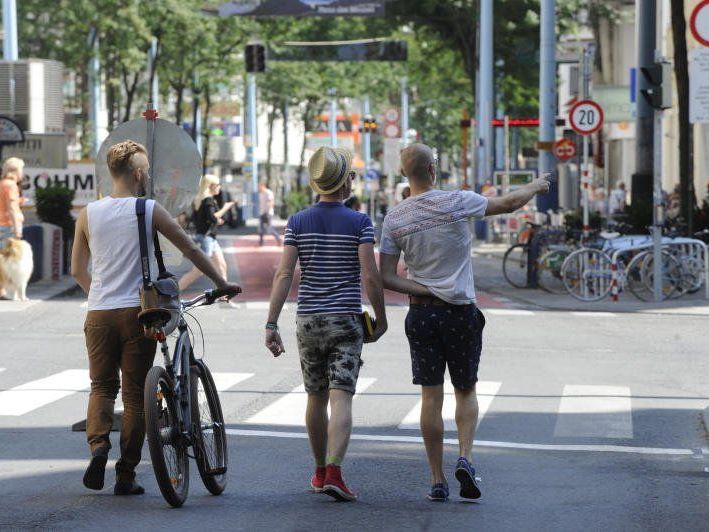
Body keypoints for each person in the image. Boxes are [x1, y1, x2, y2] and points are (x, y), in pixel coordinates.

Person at [379, 143, 550, 502]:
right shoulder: (457, 201)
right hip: (460, 312)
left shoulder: (394, 218)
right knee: (465, 389)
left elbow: (386, 277)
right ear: (432, 169)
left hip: (421, 314)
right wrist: (535, 186)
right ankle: (466, 457)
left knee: (430, 394)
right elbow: (507, 203)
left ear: (404, 173)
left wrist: (424, 288)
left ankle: (437, 479)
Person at [71, 140, 239, 496]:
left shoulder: (88, 213)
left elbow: (76, 270)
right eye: (145, 169)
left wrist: (99, 297)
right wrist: (221, 283)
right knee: (135, 396)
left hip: (98, 313)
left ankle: (98, 447)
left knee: (101, 387)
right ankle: (126, 474)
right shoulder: (147, 210)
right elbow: (190, 248)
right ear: (138, 174)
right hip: (138, 313)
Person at [265, 146, 387, 502]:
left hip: (308, 320)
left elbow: (285, 273)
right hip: (346, 320)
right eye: (350, 175)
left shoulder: (298, 221)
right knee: (342, 397)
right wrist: (380, 317)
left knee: (315, 398)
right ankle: (334, 470)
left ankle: (319, 472)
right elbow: (370, 275)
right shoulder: (360, 223)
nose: (352, 181)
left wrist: (271, 323)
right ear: (344, 182)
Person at [178, 174, 234, 290]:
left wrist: (216, 220)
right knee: (198, 271)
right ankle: (174, 292)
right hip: (206, 239)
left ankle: (225, 295)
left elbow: (203, 219)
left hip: (210, 238)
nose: (219, 187)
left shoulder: (202, 200)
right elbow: (212, 217)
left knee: (222, 266)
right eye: (218, 185)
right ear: (210, 186)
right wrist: (226, 208)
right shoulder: (208, 200)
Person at [0, 157, 25, 300]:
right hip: (7, 226)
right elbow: (11, 208)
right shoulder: (11, 185)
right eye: (21, 169)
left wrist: (19, 201)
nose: (22, 173)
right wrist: (17, 229)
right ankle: (3, 291)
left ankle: (2, 290)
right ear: (15, 170)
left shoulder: (2, 183)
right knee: (7, 261)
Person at [258, 181, 282, 246]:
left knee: (270, 229)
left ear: (263, 186)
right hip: (262, 213)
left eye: (259, 186)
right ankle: (261, 242)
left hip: (268, 213)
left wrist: (268, 211)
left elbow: (271, 202)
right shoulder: (261, 194)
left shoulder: (268, 192)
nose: (258, 188)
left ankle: (278, 238)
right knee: (260, 228)